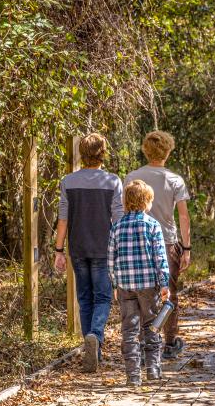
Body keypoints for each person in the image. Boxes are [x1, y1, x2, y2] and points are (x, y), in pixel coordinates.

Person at [54, 133, 124, 373]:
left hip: (78, 247)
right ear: (103, 153)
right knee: (103, 297)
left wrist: (59, 250)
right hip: (105, 249)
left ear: (81, 154)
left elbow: (63, 219)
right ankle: (95, 335)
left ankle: (91, 348)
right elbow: (119, 219)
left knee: (84, 298)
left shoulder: (68, 181)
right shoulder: (113, 182)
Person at [125, 131, 192, 359]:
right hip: (166, 242)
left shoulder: (132, 177)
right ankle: (170, 342)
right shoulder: (174, 180)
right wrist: (187, 247)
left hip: (137, 242)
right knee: (168, 293)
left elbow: (124, 210)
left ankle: (147, 341)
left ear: (145, 149)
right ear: (168, 151)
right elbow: (183, 216)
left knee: (143, 292)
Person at [109, 180, 171, 388]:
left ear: (126, 203)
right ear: (147, 203)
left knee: (129, 329)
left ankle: (133, 375)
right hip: (148, 285)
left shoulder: (116, 226)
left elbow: (111, 259)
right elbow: (160, 258)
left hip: (126, 286)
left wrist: (115, 284)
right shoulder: (153, 226)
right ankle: (153, 369)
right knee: (151, 326)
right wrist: (164, 284)